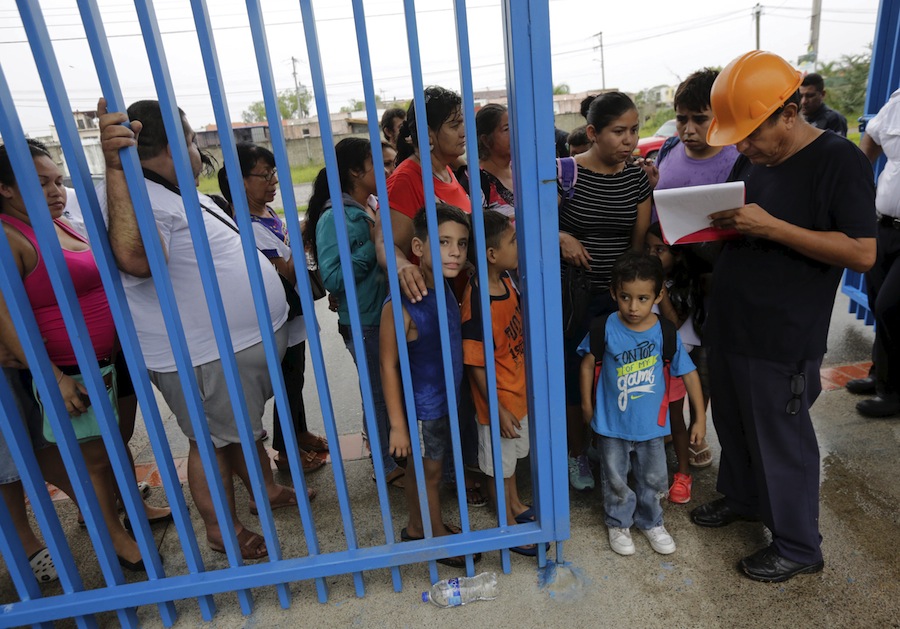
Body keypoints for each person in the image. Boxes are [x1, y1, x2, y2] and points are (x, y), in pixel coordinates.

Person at [691, 51, 876, 583]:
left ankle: (798, 545)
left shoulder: (839, 161)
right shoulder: (758, 157)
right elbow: (751, 218)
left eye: (751, 134)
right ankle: (744, 498)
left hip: (783, 330)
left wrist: (773, 228)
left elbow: (862, 252)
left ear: (789, 114)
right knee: (737, 422)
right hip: (732, 317)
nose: (742, 147)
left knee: (781, 436)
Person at [98, 98, 303, 562]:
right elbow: (138, 260)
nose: (198, 150)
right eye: (191, 139)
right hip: (204, 353)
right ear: (171, 146)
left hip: (228, 348)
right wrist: (115, 168)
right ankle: (221, 530)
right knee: (209, 444)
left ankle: (263, 490)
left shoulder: (167, 191)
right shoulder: (134, 194)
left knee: (237, 431)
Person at [0, 140, 171, 572]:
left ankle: (133, 512)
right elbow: (6, 317)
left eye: (58, 180)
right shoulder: (8, 235)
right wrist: (53, 377)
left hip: (106, 361)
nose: (57, 191)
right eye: (41, 183)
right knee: (93, 460)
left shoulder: (60, 223)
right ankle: (113, 537)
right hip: (70, 370)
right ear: (5, 188)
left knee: (115, 446)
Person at [377, 86, 485, 508]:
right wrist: (402, 264)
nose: (464, 133)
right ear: (426, 133)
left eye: (465, 124)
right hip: (426, 309)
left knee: (455, 398)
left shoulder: (450, 171)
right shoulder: (408, 176)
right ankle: (427, 508)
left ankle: (455, 480)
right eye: (455, 125)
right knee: (430, 404)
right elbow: (387, 241)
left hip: (455, 304)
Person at [578, 253, 704, 556]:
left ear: (658, 295)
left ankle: (651, 521)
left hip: (652, 428)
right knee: (615, 478)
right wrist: (586, 405)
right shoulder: (604, 327)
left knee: (654, 478)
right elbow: (587, 365)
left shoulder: (665, 332)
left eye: (643, 298)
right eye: (625, 297)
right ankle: (618, 522)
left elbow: (688, 372)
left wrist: (699, 417)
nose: (633, 307)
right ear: (613, 293)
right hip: (612, 425)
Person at [558, 92, 652, 491]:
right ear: (593, 133)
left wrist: (630, 297)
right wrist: (560, 234)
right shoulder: (563, 173)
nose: (629, 140)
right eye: (619, 131)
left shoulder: (637, 177)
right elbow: (530, 226)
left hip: (619, 299)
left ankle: (608, 446)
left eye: (634, 131)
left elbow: (638, 242)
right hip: (572, 298)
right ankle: (576, 454)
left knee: (615, 375)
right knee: (571, 377)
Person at [649, 67, 741, 470]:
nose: (688, 128)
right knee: (670, 356)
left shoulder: (738, 158)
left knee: (704, 365)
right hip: (670, 276)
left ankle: (698, 431)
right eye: (682, 117)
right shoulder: (668, 150)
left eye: (699, 119)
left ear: (720, 117)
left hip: (715, 280)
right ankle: (672, 427)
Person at [217, 142, 329, 473]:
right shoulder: (247, 226)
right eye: (264, 175)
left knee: (297, 375)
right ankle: (284, 452)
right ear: (240, 182)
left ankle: (299, 431)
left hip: (293, 316)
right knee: (288, 380)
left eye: (273, 173)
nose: (273, 181)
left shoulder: (265, 213)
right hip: (279, 319)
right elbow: (289, 270)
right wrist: (299, 233)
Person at [380, 204, 480, 567]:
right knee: (429, 472)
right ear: (419, 248)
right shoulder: (402, 303)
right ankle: (435, 535)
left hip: (445, 402)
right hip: (423, 408)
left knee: (424, 470)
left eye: (462, 244)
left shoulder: (447, 285)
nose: (455, 251)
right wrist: (396, 425)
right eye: (444, 242)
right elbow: (387, 366)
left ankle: (418, 526)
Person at [304, 137, 404, 488]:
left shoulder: (371, 205)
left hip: (383, 315)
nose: (388, 170)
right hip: (364, 321)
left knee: (382, 390)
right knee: (378, 393)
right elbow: (332, 276)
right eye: (378, 164)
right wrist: (373, 243)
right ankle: (386, 466)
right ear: (354, 172)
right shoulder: (336, 216)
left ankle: (387, 453)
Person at [460, 210, 534, 555]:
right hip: (498, 405)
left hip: (517, 393)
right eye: (513, 241)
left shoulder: (506, 281)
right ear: (491, 254)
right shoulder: (477, 301)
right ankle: (506, 523)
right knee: (498, 466)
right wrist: (498, 408)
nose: (518, 246)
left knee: (512, 463)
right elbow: (475, 364)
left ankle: (516, 505)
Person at [845, 89, 900, 418]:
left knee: (891, 306)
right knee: (879, 302)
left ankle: (893, 391)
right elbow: (872, 141)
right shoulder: (896, 102)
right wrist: (853, 182)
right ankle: (881, 375)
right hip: (885, 227)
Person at [645, 223, 705, 503]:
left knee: (675, 417)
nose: (652, 254)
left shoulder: (683, 286)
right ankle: (644, 472)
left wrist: (660, 289)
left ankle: (682, 474)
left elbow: (673, 322)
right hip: (645, 363)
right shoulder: (640, 280)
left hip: (674, 362)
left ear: (677, 255)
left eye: (660, 250)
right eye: (648, 249)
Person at [474, 103, 515, 218]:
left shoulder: (523, 171)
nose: (514, 134)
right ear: (486, 140)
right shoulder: (475, 181)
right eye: (506, 129)